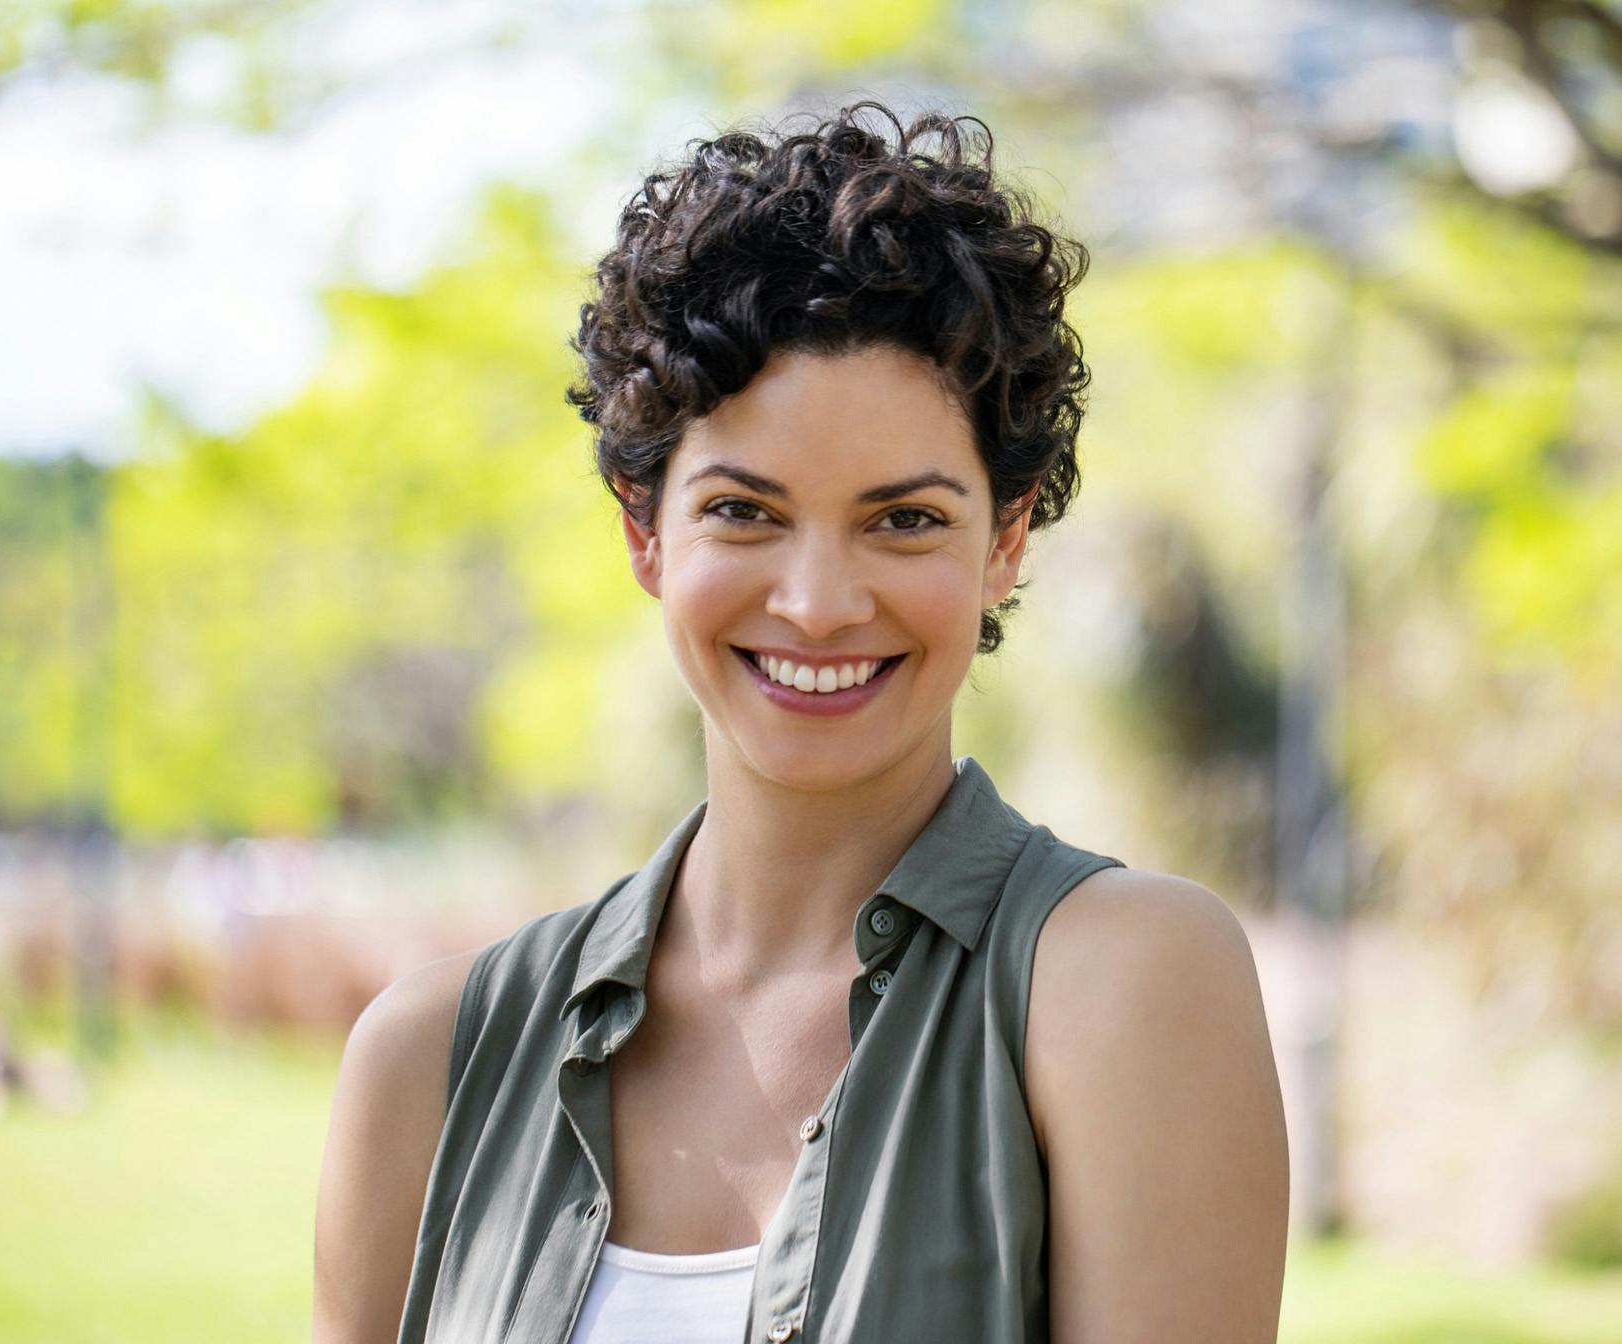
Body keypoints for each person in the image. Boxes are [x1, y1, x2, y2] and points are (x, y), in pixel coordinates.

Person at [313, 100, 1289, 1344]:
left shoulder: (1121, 983)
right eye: (743, 511)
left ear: (1005, 540)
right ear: (641, 529)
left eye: (904, 520)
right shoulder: (426, 1063)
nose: (818, 604)